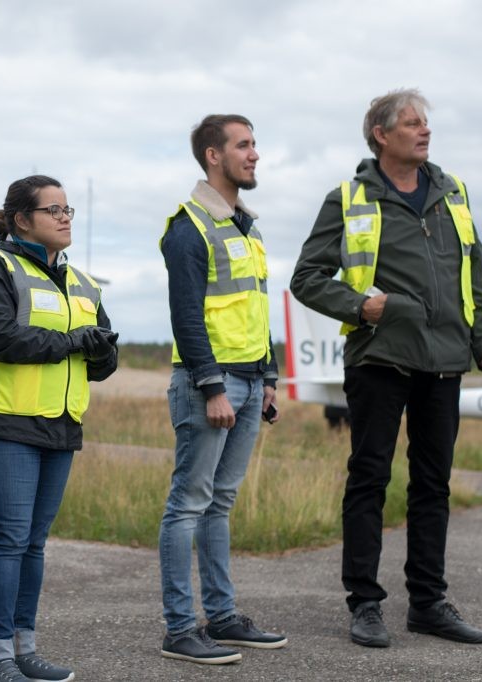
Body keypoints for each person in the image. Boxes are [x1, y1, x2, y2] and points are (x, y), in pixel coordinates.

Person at [291, 89, 482, 648]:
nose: (424, 130)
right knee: (370, 479)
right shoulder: (349, 198)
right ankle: (364, 603)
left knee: (433, 485)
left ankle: (428, 604)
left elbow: (474, 271)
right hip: (379, 358)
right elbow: (307, 278)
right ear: (381, 135)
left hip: (445, 360)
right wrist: (361, 307)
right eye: (411, 123)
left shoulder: (453, 192)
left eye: (426, 123)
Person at [0, 175, 118, 682]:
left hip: (61, 427)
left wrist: (99, 348)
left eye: (68, 209)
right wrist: (76, 341)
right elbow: (0, 338)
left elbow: (102, 359)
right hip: (2, 423)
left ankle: (25, 648)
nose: (65, 217)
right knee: (7, 539)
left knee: (33, 543)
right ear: (22, 220)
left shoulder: (83, 283)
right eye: (53, 210)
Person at [157, 114, 287, 667]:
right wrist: (212, 386)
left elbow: (255, 309)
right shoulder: (188, 227)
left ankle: (224, 616)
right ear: (214, 156)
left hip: (252, 380)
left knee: (220, 503)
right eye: (243, 145)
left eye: (254, 144)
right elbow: (186, 316)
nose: (254, 154)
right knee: (187, 503)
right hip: (210, 383)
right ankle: (181, 628)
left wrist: (271, 376)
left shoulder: (245, 226)